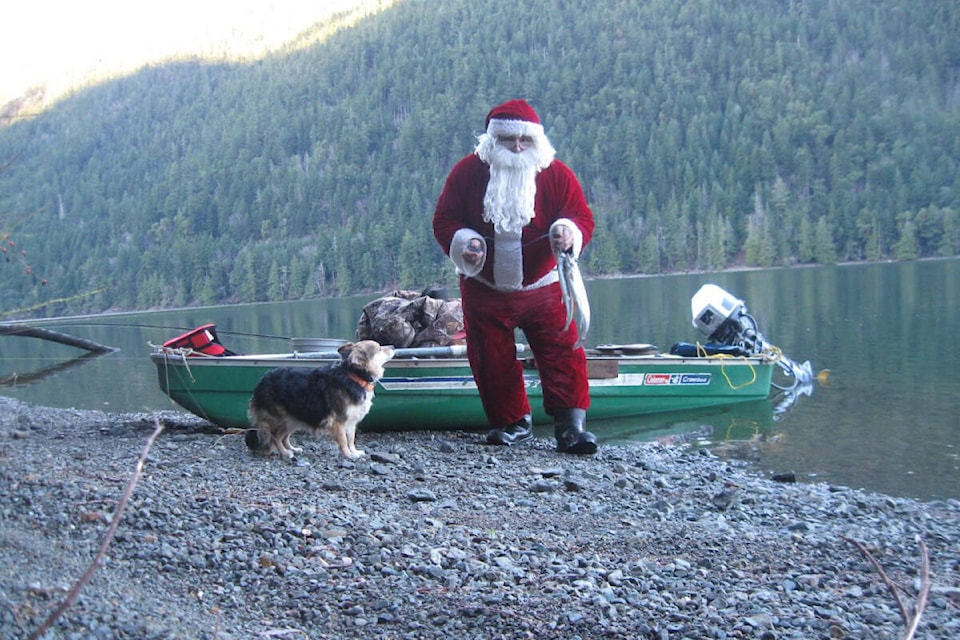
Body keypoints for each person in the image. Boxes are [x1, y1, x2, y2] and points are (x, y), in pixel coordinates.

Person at [433, 99, 597, 455]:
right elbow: (444, 221)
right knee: (490, 356)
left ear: (537, 141)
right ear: (493, 141)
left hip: (545, 285)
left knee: (564, 352)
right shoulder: (467, 172)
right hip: (484, 286)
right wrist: (466, 243)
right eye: (509, 140)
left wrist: (568, 232)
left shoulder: (556, 174)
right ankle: (511, 422)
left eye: (525, 140)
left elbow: (581, 218)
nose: (518, 147)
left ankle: (571, 427)